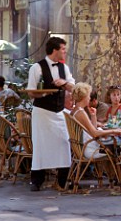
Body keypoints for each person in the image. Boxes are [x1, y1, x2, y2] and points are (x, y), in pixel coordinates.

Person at [26, 36, 75, 192]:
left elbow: (73, 87)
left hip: (59, 112)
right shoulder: (36, 68)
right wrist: (45, 94)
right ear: (54, 50)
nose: (65, 51)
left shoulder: (64, 68)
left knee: (64, 143)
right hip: (42, 112)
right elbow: (31, 93)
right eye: (62, 49)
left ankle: (62, 180)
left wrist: (64, 83)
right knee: (41, 146)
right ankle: (37, 181)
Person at [70, 83, 121, 159]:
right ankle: (115, 170)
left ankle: (107, 170)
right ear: (83, 97)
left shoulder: (76, 110)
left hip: (82, 147)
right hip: (89, 149)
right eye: (88, 96)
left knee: (112, 146)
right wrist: (113, 131)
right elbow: (95, 133)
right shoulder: (80, 112)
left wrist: (93, 116)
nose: (89, 98)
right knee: (117, 150)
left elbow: (93, 128)